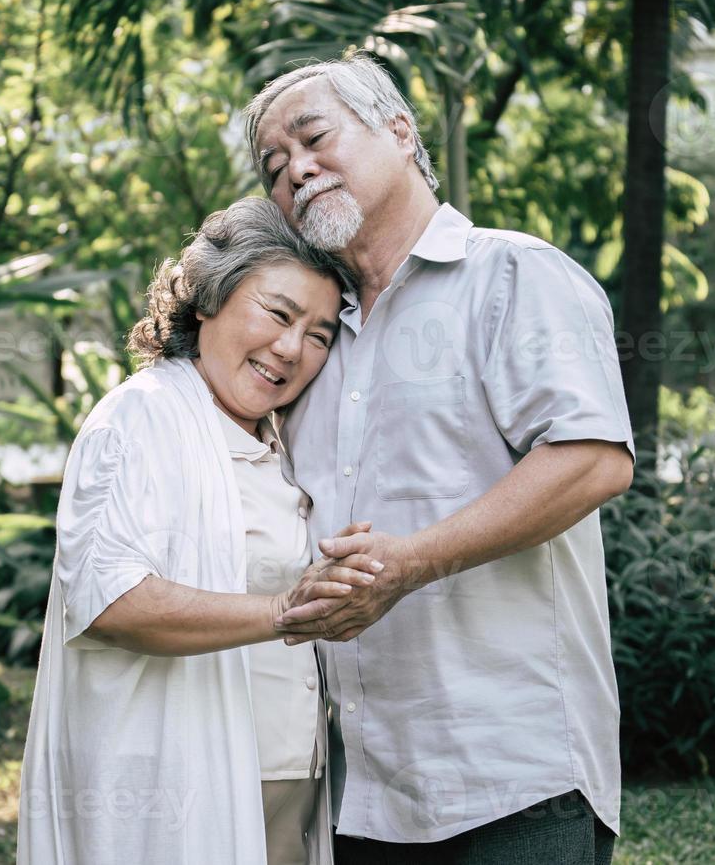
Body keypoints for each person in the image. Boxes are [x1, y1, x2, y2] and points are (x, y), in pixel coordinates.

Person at [245, 54, 636, 864]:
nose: (298, 172)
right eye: (275, 169)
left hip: (514, 782)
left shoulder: (512, 275)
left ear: (399, 129)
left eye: (315, 138)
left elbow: (594, 459)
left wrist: (410, 563)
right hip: (358, 796)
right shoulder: (307, 345)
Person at [18, 196, 384, 864]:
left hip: (286, 785)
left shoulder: (278, 442)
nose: (290, 348)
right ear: (209, 297)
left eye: (319, 335)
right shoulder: (141, 420)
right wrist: (287, 611)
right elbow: (109, 599)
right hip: (179, 791)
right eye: (278, 313)